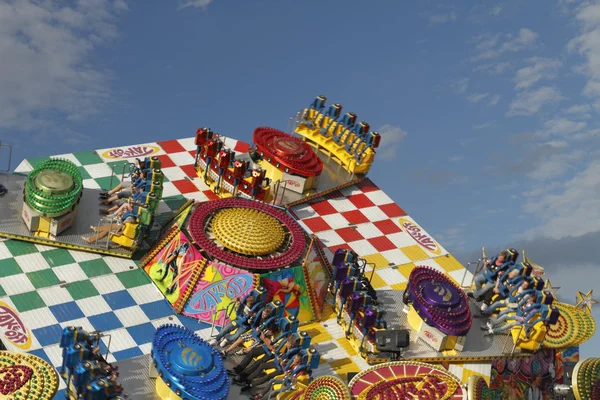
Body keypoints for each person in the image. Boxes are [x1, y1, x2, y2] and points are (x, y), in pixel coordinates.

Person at [235, 334, 302, 390]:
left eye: (288, 343)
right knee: (262, 365)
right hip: (278, 362)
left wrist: (282, 361)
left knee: (268, 376)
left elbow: (291, 364)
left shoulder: (294, 353)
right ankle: (247, 379)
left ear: (292, 345)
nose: (286, 343)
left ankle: (250, 385)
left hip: (283, 368)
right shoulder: (286, 348)